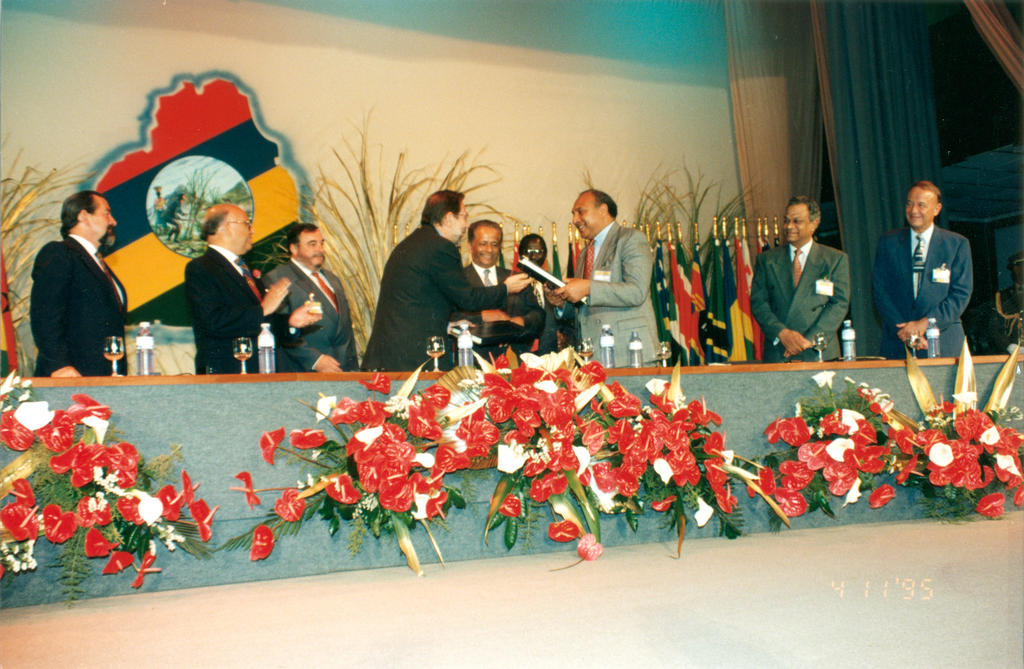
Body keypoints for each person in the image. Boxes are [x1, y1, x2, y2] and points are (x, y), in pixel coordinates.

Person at [362, 190, 531, 371]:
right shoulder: (440, 247)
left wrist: (447, 325)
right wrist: (505, 289)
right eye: (464, 217)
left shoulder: (414, 243)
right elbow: (468, 298)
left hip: (391, 355)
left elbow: (417, 302)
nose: (467, 225)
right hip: (412, 359)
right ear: (449, 218)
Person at [184, 203, 320, 374]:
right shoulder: (201, 268)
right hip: (226, 375)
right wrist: (262, 309)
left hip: (260, 372)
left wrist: (291, 322)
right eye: (247, 223)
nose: (252, 230)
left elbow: (262, 323)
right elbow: (213, 321)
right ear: (225, 228)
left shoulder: (243, 269)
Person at [548, 189, 658, 364]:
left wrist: (588, 287)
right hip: (592, 358)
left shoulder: (630, 239)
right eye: (573, 214)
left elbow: (637, 291)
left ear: (603, 210)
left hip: (629, 354)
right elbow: (585, 308)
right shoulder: (584, 254)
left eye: (580, 211)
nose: (575, 220)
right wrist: (563, 303)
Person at [30, 190, 127, 376]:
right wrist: (59, 365)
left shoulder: (98, 262)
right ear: (84, 216)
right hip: (70, 379)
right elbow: (45, 315)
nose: (113, 221)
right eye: (106, 213)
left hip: (105, 379)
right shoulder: (59, 253)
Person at [872, 181, 973, 359]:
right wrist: (906, 330)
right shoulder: (888, 242)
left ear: (937, 209)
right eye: (909, 203)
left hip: (944, 340)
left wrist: (925, 324)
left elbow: (961, 294)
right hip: (898, 340)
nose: (913, 210)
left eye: (921, 205)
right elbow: (880, 291)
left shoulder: (956, 244)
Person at [750, 196, 850, 362]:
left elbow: (839, 304)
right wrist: (783, 334)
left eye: (797, 221)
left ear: (814, 224)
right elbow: (759, 304)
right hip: (779, 351)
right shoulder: (766, 260)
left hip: (819, 350)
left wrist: (807, 341)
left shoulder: (835, 259)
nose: (789, 226)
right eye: (786, 220)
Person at [265, 222, 358, 372]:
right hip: (306, 373)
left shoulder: (332, 279)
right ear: (294, 249)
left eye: (321, 243)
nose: (320, 250)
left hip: (342, 371)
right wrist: (315, 360)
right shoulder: (278, 278)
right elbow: (280, 328)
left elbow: (344, 329)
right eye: (312, 244)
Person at [449, 220, 544, 360]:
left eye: (494, 244)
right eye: (483, 244)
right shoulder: (457, 280)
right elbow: (450, 318)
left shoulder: (515, 277)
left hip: (516, 361)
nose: (489, 249)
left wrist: (520, 322)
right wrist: (483, 316)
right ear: (469, 246)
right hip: (473, 361)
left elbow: (539, 316)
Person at [518, 233, 565, 354]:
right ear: (520, 253)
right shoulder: (511, 283)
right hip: (520, 351)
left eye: (538, 251)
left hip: (550, 351)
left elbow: (565, 316)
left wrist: (564, 335)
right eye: (528, 251)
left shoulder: (554, 284)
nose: (533, 255)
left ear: (545, 254)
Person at [968, 250, 1022, 354]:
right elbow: (993, 329)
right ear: (1015, 269)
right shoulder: (1001, 298)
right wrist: (1011, 347)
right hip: (1010, 356)